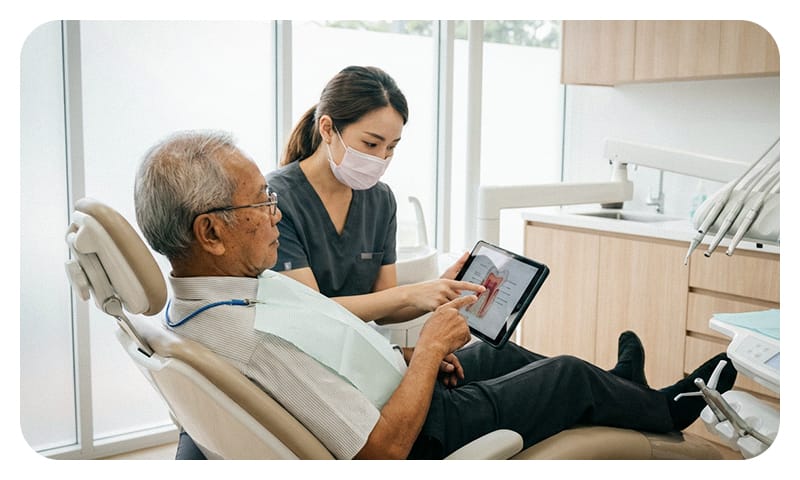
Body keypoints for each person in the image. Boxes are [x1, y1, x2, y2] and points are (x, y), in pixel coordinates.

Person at [134, 130, 738, 460]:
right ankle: (664, 410)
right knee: (565, 377)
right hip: (420, 432)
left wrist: (408, 359)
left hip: (393, 389)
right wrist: (424, 358)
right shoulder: (249, 338)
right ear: (210, 232)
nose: (274, 216)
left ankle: (627, 389)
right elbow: (381, 454)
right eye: (260, 204)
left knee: (496, 353)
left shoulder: (216, 300)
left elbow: (326, 343)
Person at [267, 65, 482, 325]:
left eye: (391, 147)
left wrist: (442, 289)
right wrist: (410, 293)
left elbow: (385, 308)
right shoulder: (277, 198)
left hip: (359, 352)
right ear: (327, 129)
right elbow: (313, 311)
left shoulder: (380, 201)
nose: (381, 158)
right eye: (371, 143)